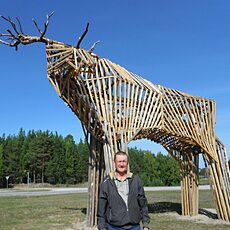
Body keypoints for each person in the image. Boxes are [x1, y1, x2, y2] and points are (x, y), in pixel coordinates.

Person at [97, 150, 150, 230]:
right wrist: (102, 227)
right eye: (119, 161)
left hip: (134, 227)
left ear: (127, 163)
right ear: (115, 162)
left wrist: (145, 224)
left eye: (124, 161)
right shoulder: (107, 182)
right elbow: (101, 208)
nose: (121, 164)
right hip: (114, 227)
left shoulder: (135, 180)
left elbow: (143, 204)